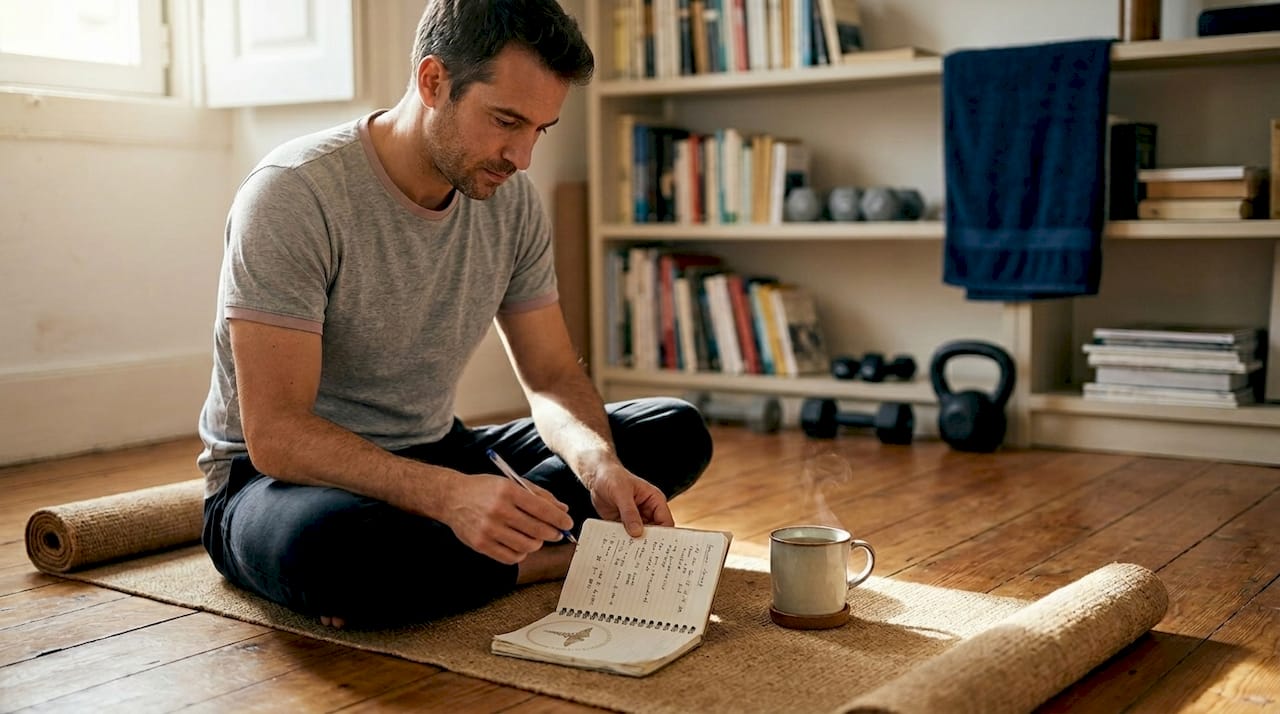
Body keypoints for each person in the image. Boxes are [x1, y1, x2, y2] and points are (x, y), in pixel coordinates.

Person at [196, 0, 713, 629]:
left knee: (673, 429)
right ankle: (552, 558)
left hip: (438, 448)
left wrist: (596, 464)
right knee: (333, 549)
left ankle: (445, 562)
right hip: (283, 481)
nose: (522, 157)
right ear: (433, 81)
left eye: (539, 130)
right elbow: (277, 435)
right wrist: (447, 497)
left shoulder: (511, 203)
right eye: (505, 121)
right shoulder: (294, 194)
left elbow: (550, 374)